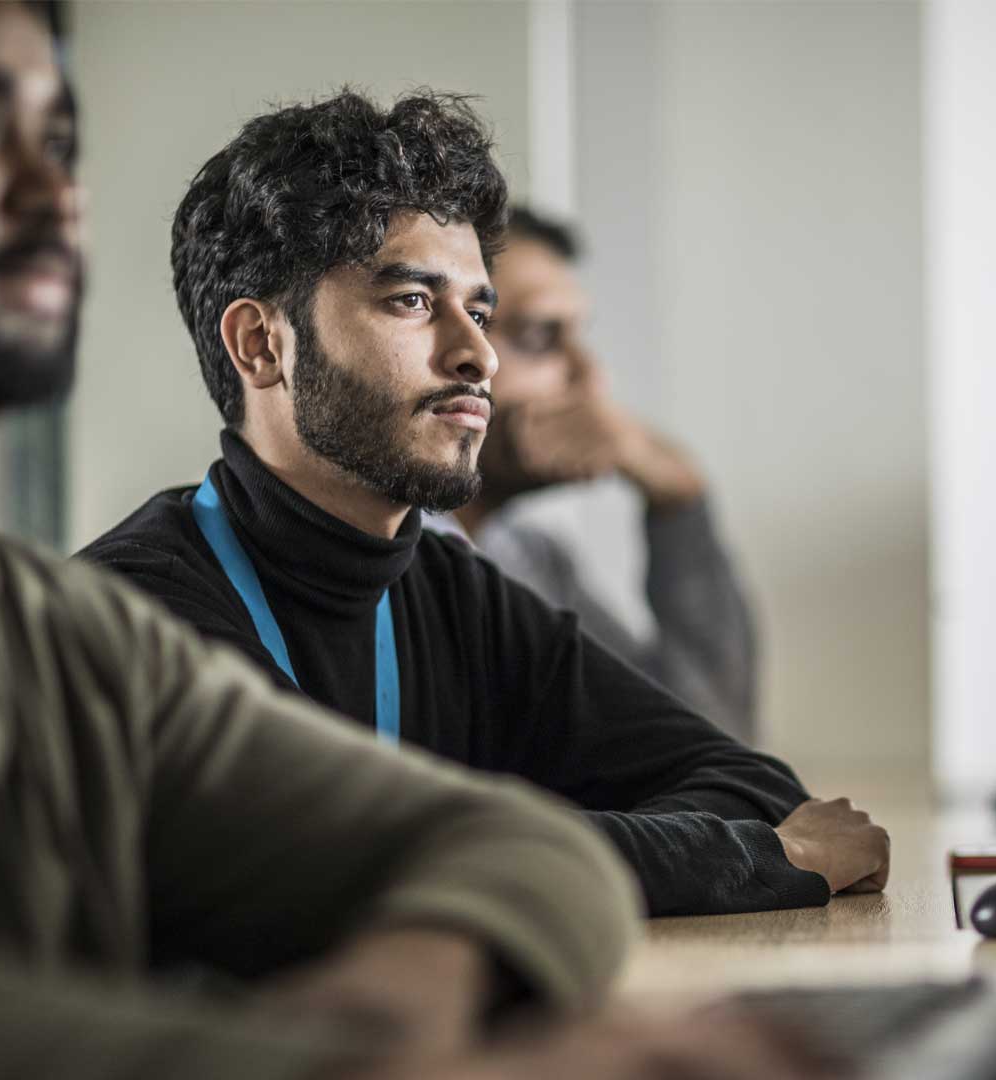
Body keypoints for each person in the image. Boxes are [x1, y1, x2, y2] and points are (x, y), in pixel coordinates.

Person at [0, 3, 653, 1073]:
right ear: (259, 343)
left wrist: (377, 1031)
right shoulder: (146, 598)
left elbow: (526, 851)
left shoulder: (69, 643)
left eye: (61, 144)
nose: (51, 194)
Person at [80, 88, 889, 918]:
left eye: (480, 310)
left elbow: (752, 783)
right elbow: (332, 857)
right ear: (262, 344)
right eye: (413, 302)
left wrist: (489, 854)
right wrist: (752, 860)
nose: (478, 356)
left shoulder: (451, 589)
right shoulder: (133, 609)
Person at [436, 206, 758, 743]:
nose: (592, 377)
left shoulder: (531, 558)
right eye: (540, 336)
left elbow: (704, 742)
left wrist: (680, 498)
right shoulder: (389, 563)